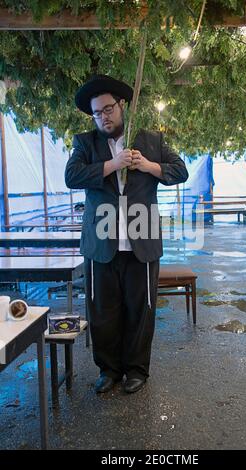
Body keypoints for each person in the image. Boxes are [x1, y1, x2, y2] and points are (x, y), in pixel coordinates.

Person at [65, 74, 188, 394]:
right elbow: (72, 176)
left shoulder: (151, 141)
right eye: (96, 113)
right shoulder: (85, 143)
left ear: (121, 106)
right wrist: (112, 163)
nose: (103, 117)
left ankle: (137, 369)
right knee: (102, 310)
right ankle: (108, 370)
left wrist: (147, 165)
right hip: (100, 244)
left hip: (142, 240)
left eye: (107, 109)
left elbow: (180, 170)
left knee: (140, 308)